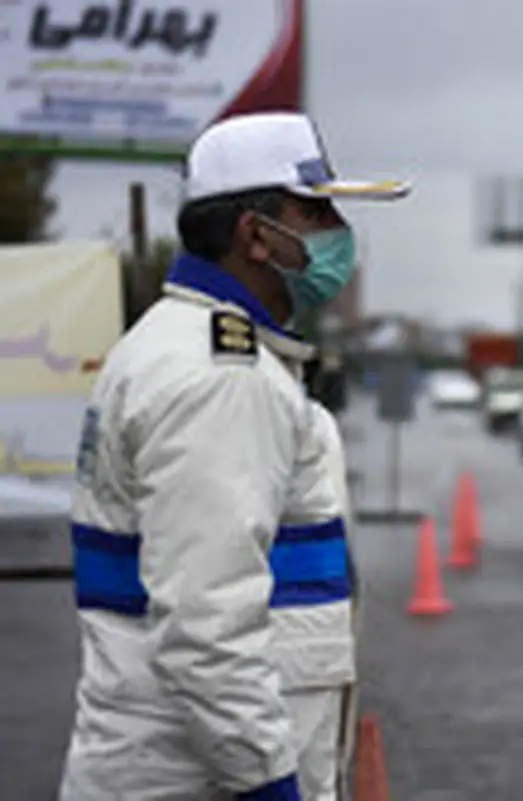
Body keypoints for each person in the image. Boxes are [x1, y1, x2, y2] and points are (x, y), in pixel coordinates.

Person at [59, 111, 410, 800]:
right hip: (200, 778)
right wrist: (269, 782)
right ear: (256, 234)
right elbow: (205, 624)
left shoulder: (185, 345)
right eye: (316, 211)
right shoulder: (222, 376)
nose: (337, 232)